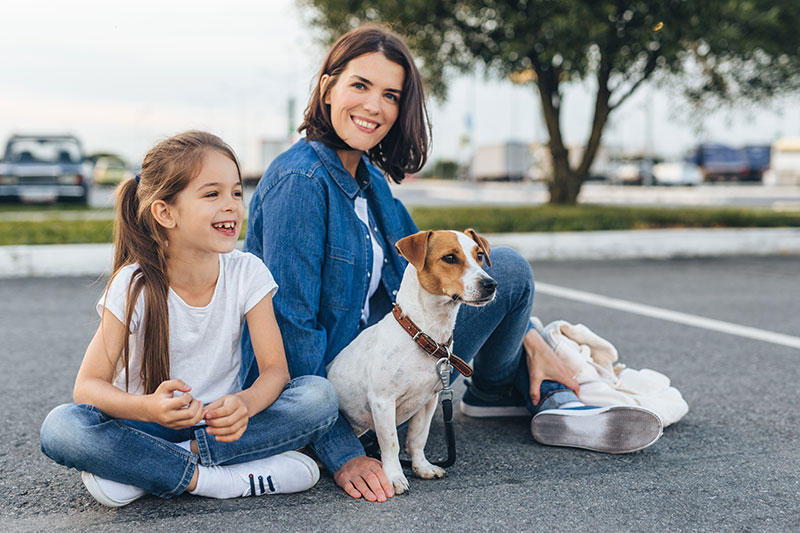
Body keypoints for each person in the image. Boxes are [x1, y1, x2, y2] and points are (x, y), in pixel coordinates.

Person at [242, 26, 663, 503]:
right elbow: (291, 326)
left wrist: (524, 332)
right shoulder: (300, 181)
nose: (374, 106)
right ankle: (545, 393)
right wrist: (344, 454)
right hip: (338, 382)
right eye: (359, 85)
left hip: (399, 349)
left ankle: (509, 384)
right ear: (328, 87)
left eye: (391, 95)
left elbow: (438, 269)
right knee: (320, 394)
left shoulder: (369, 180)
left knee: (507, 270)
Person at [40, 131, 338, 507]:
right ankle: (213, 479)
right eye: (212, 194)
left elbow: (275, 371)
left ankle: (148, 471)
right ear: (166, 212)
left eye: (236, 192)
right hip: (147, 425)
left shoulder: (249, 273)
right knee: (62, 427)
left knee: (319, 397)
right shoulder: (133, 284)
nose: (231, 205)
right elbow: (87, 387)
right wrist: (149, 408)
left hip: (220, 426)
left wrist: (245, 404)